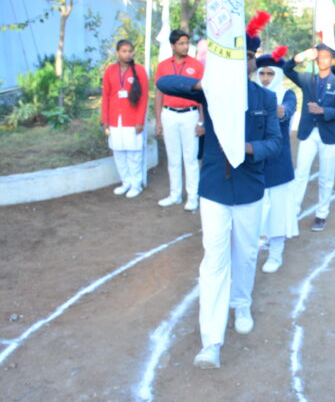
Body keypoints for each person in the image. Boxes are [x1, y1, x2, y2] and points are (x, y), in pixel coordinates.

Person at [156, 47, 282, 370]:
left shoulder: (265, 99)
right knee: (214, 259)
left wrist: (249, 147)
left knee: (247, 253)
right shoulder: (210, 92)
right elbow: (167, 83)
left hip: (250, 189)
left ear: (252, 63)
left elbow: (275, 142)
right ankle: (210, 341)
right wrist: (202, 85)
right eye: (234, 56)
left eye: (247, 57)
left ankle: (241, 303)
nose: (242, 62)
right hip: (213, 189)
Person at [284, 45, 335, 232]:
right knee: (301, 172)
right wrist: (300, 56)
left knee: (326, 176)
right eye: (319, 57)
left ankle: (322, 213)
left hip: (327, 134)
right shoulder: (307, 79)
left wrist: (324, 111)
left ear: (332, 60)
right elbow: (287, 69)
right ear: (315, 59)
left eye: (326, 57)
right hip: (307, 132)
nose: (322, 60)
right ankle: (294, 209)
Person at [252, 46, 298, 273]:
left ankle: (276, 254)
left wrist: (279, 110)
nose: (266, 78)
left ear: (278, 75)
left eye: (271, 74)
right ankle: (259, 242)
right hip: (255, 161)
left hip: (278, 162)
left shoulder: (286, 95)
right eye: (262, 73)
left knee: (278, 209)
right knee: (255, 208)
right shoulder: (250, 93)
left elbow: (286, 110)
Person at [155, 29, 205, 210]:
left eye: (187, 43)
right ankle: (175, 194)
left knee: (190, 158)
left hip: (190, 115)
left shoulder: (197, 65)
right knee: (173, 157)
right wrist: (158, 120)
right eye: (181, 43)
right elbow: (159, 93)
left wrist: (201, 121)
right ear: (172, 45)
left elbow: (203, 93)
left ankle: (193, 196)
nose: (185, 47)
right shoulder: (162, 66)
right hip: (169, 114)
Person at [101, 39, 149, 199]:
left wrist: (139, 121)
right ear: (117, 53)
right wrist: (105, 120)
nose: (127, 54)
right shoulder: (110, 70)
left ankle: (136, 184)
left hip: (132, 118)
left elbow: (143, 99)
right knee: (119, 152)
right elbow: (106, 96)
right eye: (124, 51)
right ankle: (125, 182)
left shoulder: (139, 71)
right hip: (115, 118)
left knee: (133, 153)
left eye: (130, 51)